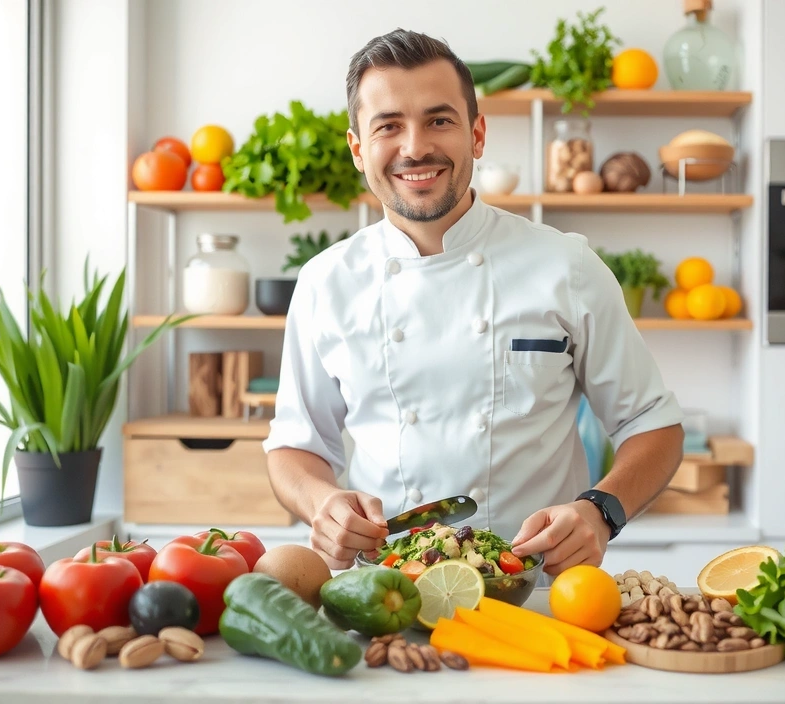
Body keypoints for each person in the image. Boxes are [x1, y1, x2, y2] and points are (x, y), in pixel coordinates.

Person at [263, 28, 685, 576]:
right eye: (388, 126)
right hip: (382, 595)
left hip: (533, 594)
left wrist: (600, 511)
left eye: (439, 120)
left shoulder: (567, 267)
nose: (415, 147)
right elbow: (295, 447)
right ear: (358, 149)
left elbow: (655, 425)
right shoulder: (325, 282)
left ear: (477, 134)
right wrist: (321, 502)